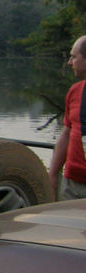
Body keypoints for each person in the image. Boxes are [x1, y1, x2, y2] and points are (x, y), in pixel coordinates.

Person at [48, 35, 86, 200]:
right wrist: (53, 174)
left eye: (74, 57)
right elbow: (67, 134)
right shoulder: (75, 91)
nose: (69, 62)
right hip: (71, 185)